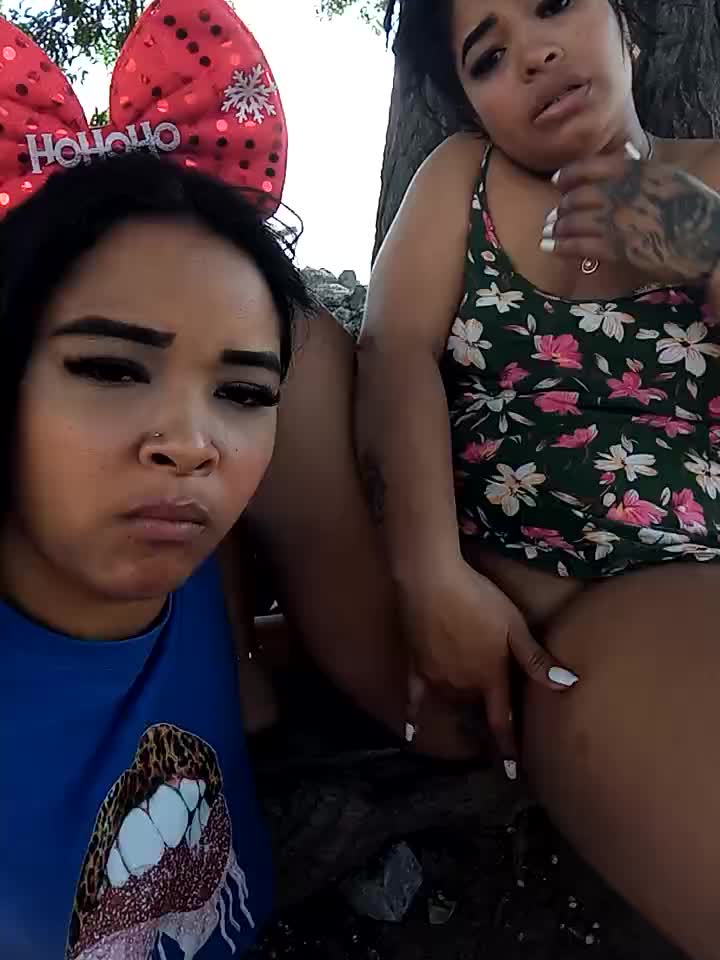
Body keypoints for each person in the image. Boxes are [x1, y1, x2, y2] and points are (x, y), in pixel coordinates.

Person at [357, 0, 720, 956]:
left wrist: (704, 245)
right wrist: (430, 571)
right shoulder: (459, 180)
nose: (534, 53)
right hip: (467, 598)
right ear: (472, 105)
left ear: (628, 27)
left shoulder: (714, 176)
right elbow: (391, 353)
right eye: (488, 57)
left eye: (555, 4)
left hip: (661, 591)